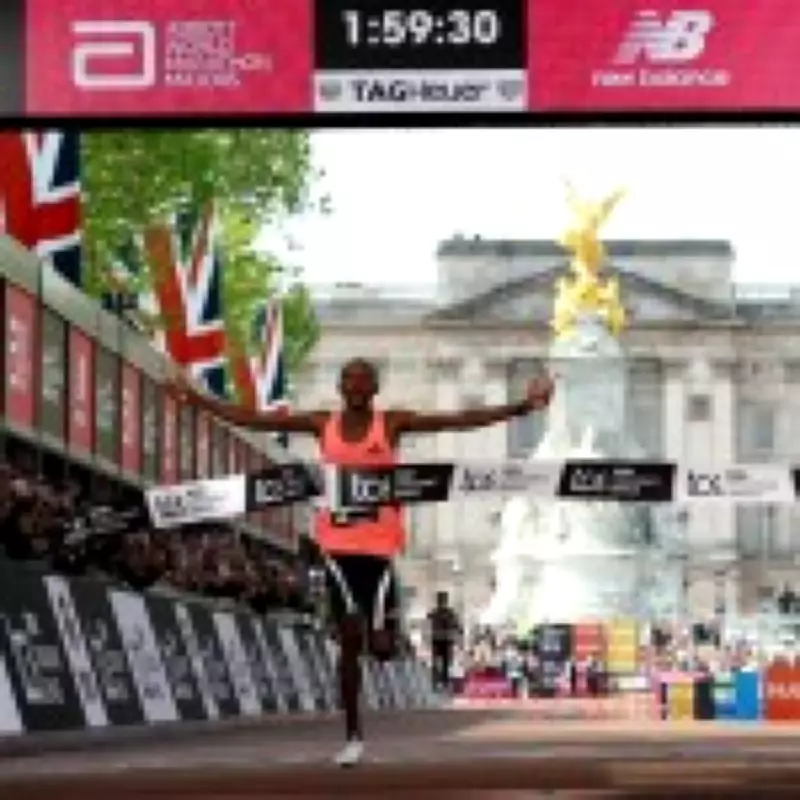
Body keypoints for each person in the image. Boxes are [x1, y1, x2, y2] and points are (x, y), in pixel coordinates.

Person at [174, 357, 553, 767]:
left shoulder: (390, 424)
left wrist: (522, 407)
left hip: (379, 551)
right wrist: (199, 400)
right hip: (337, 549)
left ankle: (380, 640)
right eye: (349, 381)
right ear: (340, 388)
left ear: (374, 389)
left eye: (362, 381)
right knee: (350, 640)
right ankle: (353, 734)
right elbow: (257, 420)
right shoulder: (323, 424)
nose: (355, 387)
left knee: (383, 647)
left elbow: (456, 421)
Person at [427, 591, 461, 692]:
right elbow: (457, 627)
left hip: (441, 640)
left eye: (442, 599)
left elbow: (457, 626)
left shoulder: (435, 613)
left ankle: (439, 682)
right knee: (442, 662)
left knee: (441, 662)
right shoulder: (448, 613)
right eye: (441, 599)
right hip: (442, 640)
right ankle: (440, 682)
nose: (441, 602)